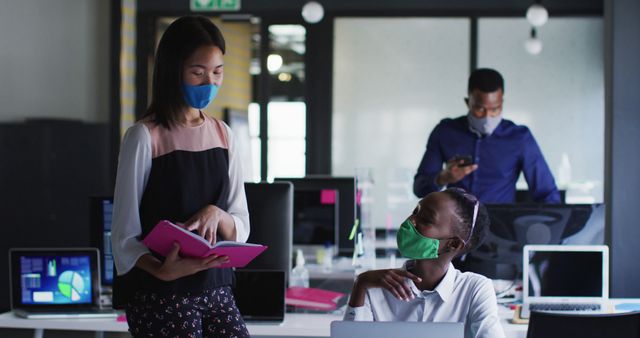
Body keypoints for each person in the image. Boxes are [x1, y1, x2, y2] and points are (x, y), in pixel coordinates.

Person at [110, 16, 250, 337]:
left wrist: (217, 214)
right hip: (162, 292)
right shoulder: (144, 136)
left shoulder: (223, 135)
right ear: (174, 71)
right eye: (198, 73)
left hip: (217, 287)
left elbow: (240, 223)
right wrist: (161, 269)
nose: (209, 83)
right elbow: (123, 237)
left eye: (217, 72)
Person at [344, 188, 505, 338]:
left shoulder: (474, 289)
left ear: (453, 244)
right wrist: (361, 282)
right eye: (415, 211)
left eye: (426, 219)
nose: (411, 220)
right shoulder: (374, 285)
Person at [413, 68, 560, 203]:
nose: (487, 117)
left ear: (502, 103)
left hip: (500, 227)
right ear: (468, 102)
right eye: (480, 109)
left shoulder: (520, 138)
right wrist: (442, 178)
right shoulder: (445, 132)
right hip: (455, 227)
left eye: (495, 109)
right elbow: (419, 188)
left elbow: (546, 192)